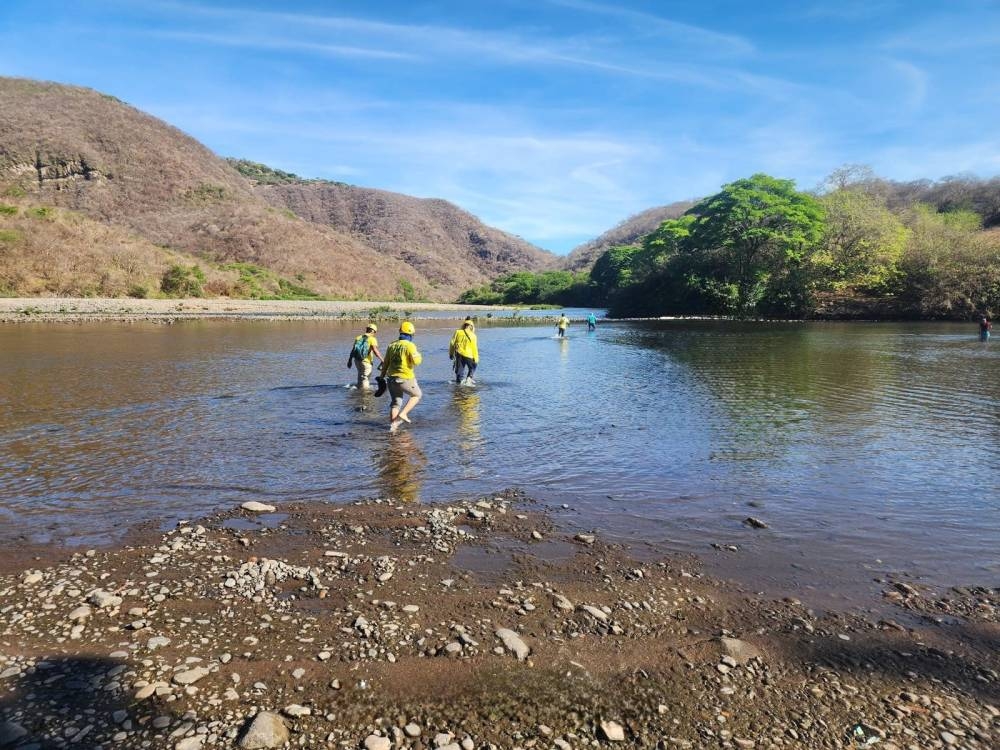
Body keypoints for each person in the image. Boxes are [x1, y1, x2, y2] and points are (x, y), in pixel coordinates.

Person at [380, 321, 422, 431]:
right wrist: (418, 355)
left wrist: (381, 377)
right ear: (411, 334)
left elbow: (386, 363)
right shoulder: (410, 345)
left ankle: (393, 427)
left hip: (391, 379)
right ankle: (404, 414)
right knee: (417, 395)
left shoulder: (392, 345)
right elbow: (417, 362)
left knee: (396, 403)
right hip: (405, 378)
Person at [346, 323, 383, 390]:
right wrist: (382, 360)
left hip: (357, 361)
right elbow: (375, 351)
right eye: (375, 332)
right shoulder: (372, 339)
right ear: (372, 330)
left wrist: (349, 361)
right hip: (366, 362)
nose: (374, 333)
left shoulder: (358, 337)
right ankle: (364, 394)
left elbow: (353, 350)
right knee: (365, 378)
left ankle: (358, 390)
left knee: (360, 377)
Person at [449, 317, 479, 385]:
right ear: (471, 326)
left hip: (459, 354)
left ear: (464, 325)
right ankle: (469, 378)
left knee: (459, 371)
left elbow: (452, 343)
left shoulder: (458, 332)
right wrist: (476, 359)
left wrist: (451, 353)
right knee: (473, 367)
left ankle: (458, 385)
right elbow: (474, 348)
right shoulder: (473, 335)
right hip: (469, 355)